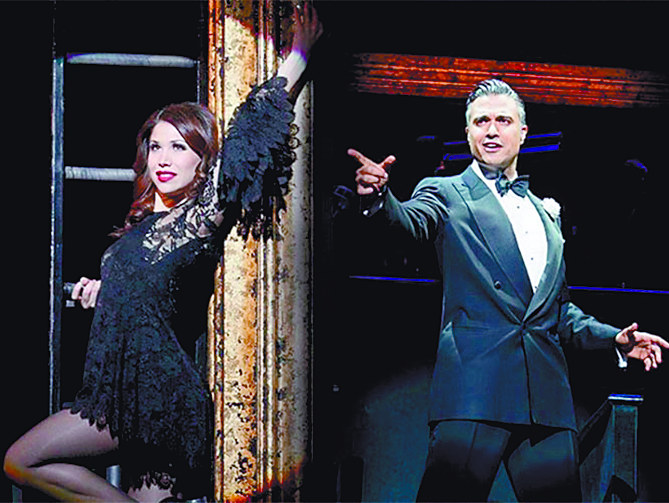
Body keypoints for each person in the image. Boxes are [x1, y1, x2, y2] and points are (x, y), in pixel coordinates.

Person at [4, 5, 322, 502]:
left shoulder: (201, 216)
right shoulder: (141, 227)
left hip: (160, 398)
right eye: (156, 147)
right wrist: (103, 293)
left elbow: (247, 137)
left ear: (203, 160)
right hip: (127, 392)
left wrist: (297, 57)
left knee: (19, 460)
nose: (164, 159)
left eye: (179, 147)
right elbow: (149, 293)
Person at [350, 78, 668, 502]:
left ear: (523, 132)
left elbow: (558, 311)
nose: (491, 130)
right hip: (476, 386)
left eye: (503, 120)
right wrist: (378, 197)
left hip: (546, 397)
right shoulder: (446, 192)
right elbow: (409, 222)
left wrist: (615, 339)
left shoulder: (544, 213)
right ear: (468, 133)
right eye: (481, 121)